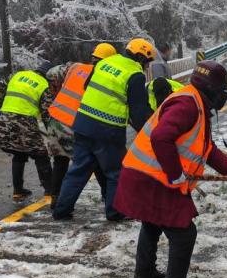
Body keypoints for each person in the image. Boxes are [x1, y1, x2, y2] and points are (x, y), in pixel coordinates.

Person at [114, 60, 227, 278]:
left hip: (145, 174)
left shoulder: (196, 103)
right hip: (153, 177)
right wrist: (175, 174)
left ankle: (144, 274)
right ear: (213, 90)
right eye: (223, 92)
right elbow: (161, 137)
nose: (224, 96)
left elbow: (207, 149)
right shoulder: (188, 104)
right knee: (185, 234)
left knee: (153, 223)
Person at [52, 39, 155, 221]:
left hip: (83, 123)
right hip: (108, 130)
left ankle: (61, 210)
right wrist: (148, 133)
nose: (147, 67)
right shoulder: (135, 74)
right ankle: (115, 212)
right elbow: (138, 110)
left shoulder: (105, 63)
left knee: (78, 169)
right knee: (115, 172)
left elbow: (87, 86)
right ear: (140, 57)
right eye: (147, 62)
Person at [42, 43, 117, 201]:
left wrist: (56, 91)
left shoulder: (75, 67)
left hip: (54, 119)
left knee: (60, 160)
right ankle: (108, 197)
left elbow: (50, 73)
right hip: (74, 124)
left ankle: (55, 199)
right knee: (94, 160)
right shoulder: (104, 77)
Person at [0, 63, 54, 201]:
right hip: (25, 119)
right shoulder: (43, 84)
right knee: (41, 154)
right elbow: (46, 112)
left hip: (6, 117)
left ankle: (18, 190)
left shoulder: (18, 75)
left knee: (18, 152)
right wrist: (51, 131)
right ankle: (50, 190)